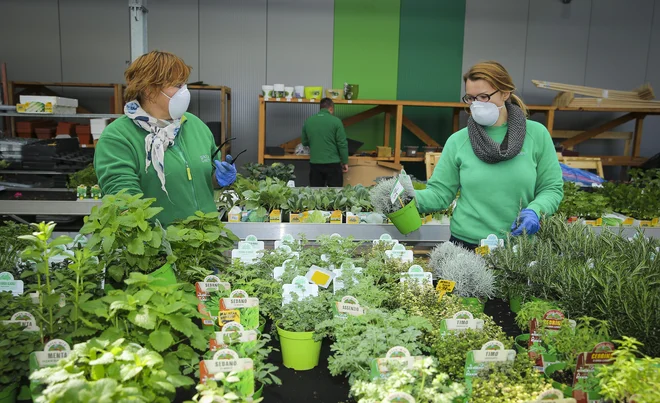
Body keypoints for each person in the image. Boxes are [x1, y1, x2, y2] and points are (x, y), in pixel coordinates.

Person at [408, 61, 563, 250]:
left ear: (505, 93)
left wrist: (535, 211)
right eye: (471, 98)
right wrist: (406, 198)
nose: (476, 105)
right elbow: (440, 194)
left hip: (518, 247)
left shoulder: (536, 135)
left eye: (484, 97)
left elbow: (551, 188)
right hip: (466, 246)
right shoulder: (459, 141)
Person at [94, 51, 236, 227]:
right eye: (177, 85)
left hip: (205, 242)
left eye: (184, 84)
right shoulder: (118, 137)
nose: (184, 91)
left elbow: (207, 180)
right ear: (149, 90)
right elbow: (125, 203)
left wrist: (219, 177)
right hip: (159, 248)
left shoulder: (194, 125)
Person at [301, 98, 349, 187]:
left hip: (315, 163)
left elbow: (304, 142)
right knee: (335, 194)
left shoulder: (309, 121)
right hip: (333, 164)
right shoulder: (336, 121)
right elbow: (342, 144)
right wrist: (345, 161)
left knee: (316, 194)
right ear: (331, 108)